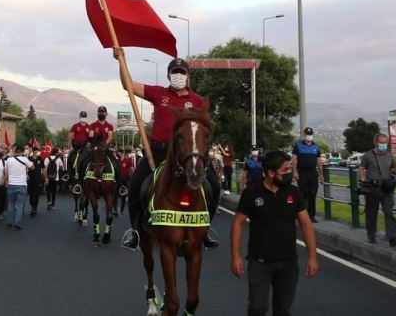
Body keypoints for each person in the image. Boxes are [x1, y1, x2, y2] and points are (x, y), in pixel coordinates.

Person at [121, 57, 221, 250]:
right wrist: (121, 59)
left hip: (186, 156)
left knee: (214, 187)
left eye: (182, 72)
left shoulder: (198, 101)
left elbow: (204, 128)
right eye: (175, 72)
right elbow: (128, 84)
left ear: (188, 76)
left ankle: (206, 229)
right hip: (157, 154)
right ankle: (135, 232)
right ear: (168, 75)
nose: (178, 76)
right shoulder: (158, 93)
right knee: (135, 186)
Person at [231, 151, 318, 316]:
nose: (289, 174)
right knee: (257, 308)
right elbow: (238, 223)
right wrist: (235, 256)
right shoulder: (251, 193)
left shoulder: (294, 193)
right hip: (259, 263)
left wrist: (312, 257)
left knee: (283, 310)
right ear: (271, 173)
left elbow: (306, 224)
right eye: (284, 171)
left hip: (288, 264)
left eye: (290, 170)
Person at [358, 133, 396, 246]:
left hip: (386, 188)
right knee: (371, 213)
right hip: (372, 188)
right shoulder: (368, 155)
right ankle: (371, 235)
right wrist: (362, 181)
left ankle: (393, 237)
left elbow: (392, 170)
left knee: (388, 211)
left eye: (385, 142)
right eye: (381, 142)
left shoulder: (389, 156)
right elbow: (361, 168)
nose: (383, 144)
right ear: (376, 143)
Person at [292, 127, 324, 223]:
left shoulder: (316, 147)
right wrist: (294, 172)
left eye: (310, 134)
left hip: (313, 173)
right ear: (304, 135)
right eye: (307, 134)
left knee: (312, 194)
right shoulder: (298, 145)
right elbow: (294, 159)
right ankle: (301, 215)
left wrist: (321, 174)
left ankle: (311, 215)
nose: (309, 136)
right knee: (302, 194)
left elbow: (319, 161)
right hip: (302, 173)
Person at [4, 144, 33, 230]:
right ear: (23, 151)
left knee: (11, 204)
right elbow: (33, 167)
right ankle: (17, 224)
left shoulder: (9, 160)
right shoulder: (25, 159)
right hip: (22, 185)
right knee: (20, 205)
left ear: (15, 151)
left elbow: (6, 171)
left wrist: (5, 180)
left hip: (11, 184)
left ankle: (9, 222)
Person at [27, 147, 44, 216]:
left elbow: (43, 168)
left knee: (36, 194)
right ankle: (32, 206)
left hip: (38, 178)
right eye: (37, 150)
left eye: (39, 150)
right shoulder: (29, 159)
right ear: (34, 151)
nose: (38, 152)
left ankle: (35, 207)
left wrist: (45, 178)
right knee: (31, 194)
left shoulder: (40, 159)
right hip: (30, 178)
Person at [117, 149, 134, 215]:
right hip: (118, 180)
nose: (119, 155)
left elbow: (132, 169)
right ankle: (114, 209)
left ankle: (121, 210)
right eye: (118, 153)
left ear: (123, 153)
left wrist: (134, 176)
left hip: (125, 180)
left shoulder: (127, 161)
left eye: (120, 153)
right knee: (115, 195)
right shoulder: (117, 161)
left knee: (123, 196)